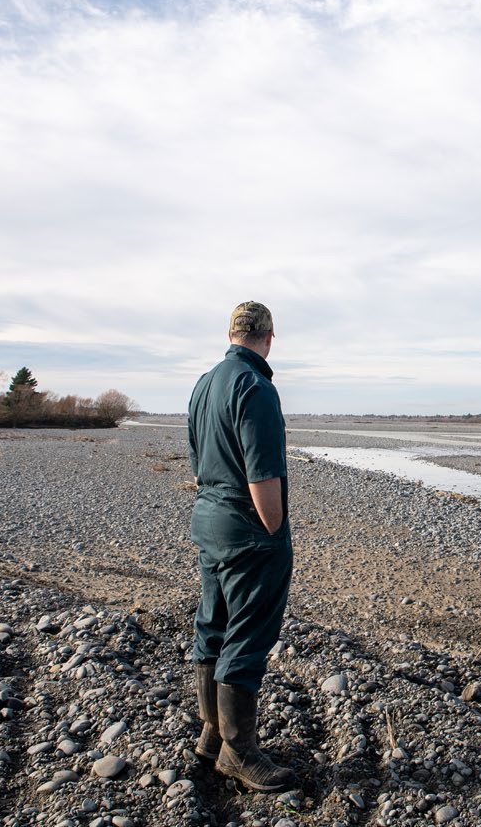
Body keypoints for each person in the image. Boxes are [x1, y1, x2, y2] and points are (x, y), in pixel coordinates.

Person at [186, 301, 296, 792]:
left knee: (213, 624)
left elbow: (196, 461)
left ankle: (211, 736)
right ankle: (239, 751)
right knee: (246, 635)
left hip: (209, 519)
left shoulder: (204, 383)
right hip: (248, 527)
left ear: (231, 334)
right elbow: (262, 468)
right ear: (268, 337)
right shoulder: (255, 386)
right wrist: (273, 528)